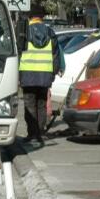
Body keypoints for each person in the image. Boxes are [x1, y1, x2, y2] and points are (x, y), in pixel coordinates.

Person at [19, 12, 64, 144]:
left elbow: (18, 52)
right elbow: (56, 55)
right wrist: (53, 72)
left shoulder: (24, 32)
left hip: (27, 74)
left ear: (29, 18)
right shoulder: (50, 32)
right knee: (41, 104)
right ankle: (40, 132)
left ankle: (32, 134)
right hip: (45, 75)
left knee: (29, 105)